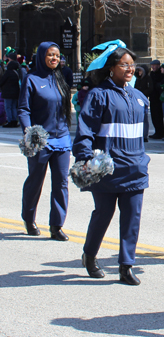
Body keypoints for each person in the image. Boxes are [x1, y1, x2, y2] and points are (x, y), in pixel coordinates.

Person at [73, 41, 150, 285]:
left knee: (132, 217)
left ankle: (126, 265)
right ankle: (90, 254)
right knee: (103, 214)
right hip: (107, 169)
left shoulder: (139, 97)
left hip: (135, 168)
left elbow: (143, 134)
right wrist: (85, 157)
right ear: (111, 68)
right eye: (124, 64)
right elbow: (85, 129)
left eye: (132, 64)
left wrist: (142, 158)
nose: (129, 68)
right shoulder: (98, 95)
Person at [18, 42, 72, 240]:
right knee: (35, 181)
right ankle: (28, 218)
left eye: (57, 55)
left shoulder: (60, 78)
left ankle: (56, 226)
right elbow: (23, 109)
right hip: (40, 140)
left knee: (61, 183)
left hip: (62, 139)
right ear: (42, 56)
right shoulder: (31, 79)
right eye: (50, 55)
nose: (54, 59)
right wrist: (29, 131)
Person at [134, 65, 154, 142]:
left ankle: (144, 135)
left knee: (145, 118)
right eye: (138, 71)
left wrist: (142, 93)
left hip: (144, 98)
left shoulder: (148, 78)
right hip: (138, 99)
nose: (139, 73)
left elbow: (150, 88)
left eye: (140, 71)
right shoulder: (138, 79)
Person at [0, 58, 21, 127]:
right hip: (15, 93)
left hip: (7, 93)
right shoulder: (16, 73)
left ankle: (10, 121)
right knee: (14, 107)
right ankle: (14, 120)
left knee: (8, 107)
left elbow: (2, 81)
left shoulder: (8, 72)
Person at [149, 59, 164, 139]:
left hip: (158, 97)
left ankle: (160, 132)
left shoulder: (161, 74)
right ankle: (156, 131)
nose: (152, 67)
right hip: (152, 97)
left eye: (154, 65)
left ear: (158, 66)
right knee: (153, 116)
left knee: (159, 116)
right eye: (152, 65)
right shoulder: (152, 74)